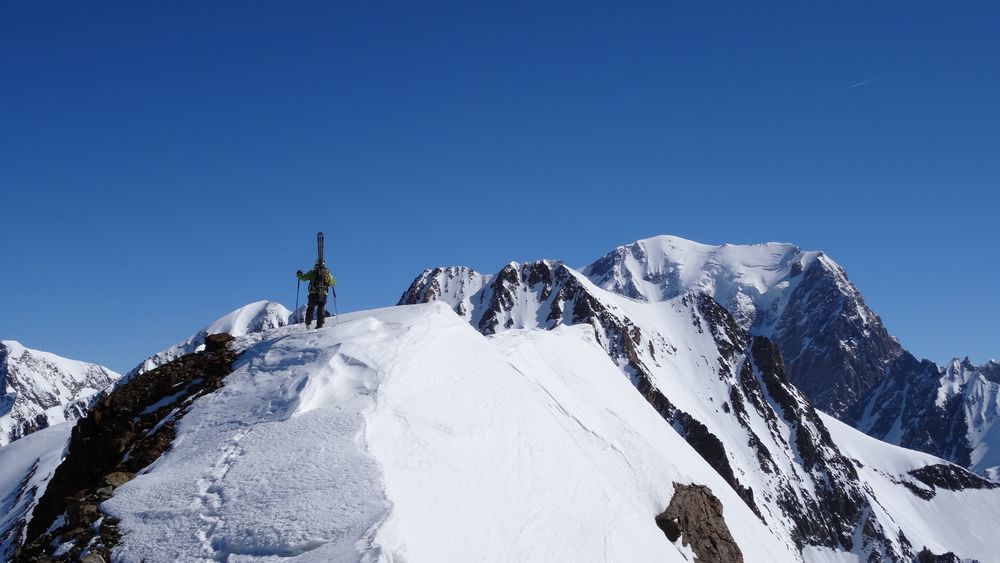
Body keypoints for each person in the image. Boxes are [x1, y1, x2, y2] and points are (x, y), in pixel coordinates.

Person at [296, 261, 336, 328]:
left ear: (315, 264)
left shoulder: (312, 271)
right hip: (323, 293)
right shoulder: (327, 273)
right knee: (321, 308)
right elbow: (333, 283)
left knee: (311, 308)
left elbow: (304, 278)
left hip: (313, 294)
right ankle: (320, 324)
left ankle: (308, 323)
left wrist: (299, 275)